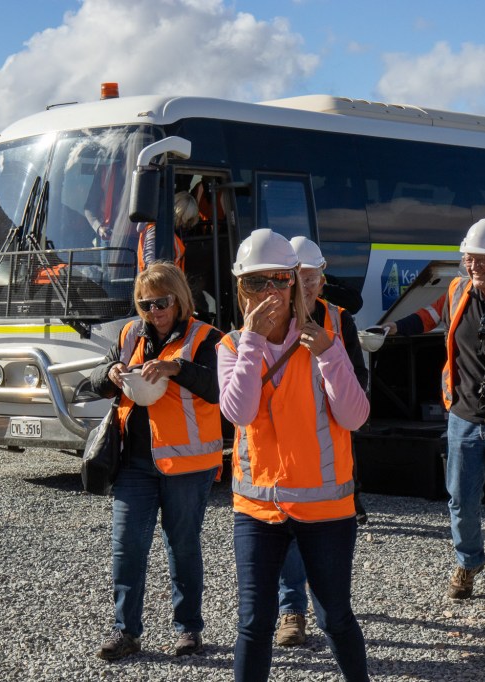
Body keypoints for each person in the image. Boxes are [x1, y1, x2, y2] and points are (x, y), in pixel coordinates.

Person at [218, 228, 370, 682]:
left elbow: (356, 417)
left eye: (279, 280)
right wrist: (252, 341)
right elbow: (239, 412)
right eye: (255, 282)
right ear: (241, 288)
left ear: (293, 282)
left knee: (334, 618)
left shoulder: (327, 340)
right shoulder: (232, 346)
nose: (269, 292)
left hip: (325, 508)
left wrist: (329, 356)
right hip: (257, 509)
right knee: (253, 625)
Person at [382, 218, 485, 616]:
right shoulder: (457, 291)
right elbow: (428, 315)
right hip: (464, 417)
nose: (474, 266)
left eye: (482, 259)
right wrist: (391, 329)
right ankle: (468, 563)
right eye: (469, 258)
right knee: (461, 500)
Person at [89, 261, 223, 661]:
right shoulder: (130, 334)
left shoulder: (207, 337)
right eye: (145, 305)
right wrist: (110, 372)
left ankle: (189, 630)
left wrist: (176, 368)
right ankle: (125, 631)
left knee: (182, 546)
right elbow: (94, 381)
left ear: (179, 299)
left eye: (161, 302)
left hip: (189, 465)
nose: (154, 311)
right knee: (127, 546)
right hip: (134, 463)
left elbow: (218, 388)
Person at [270, 236, 369, 649]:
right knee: (288, 531)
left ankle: (329, 612)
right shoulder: (270, 321)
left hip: (329, 449)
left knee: (325, 539)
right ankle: (291, 611)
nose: (305, 286)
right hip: (285, 449)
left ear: (322, 278)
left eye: (311, 277)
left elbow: (359, 384)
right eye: (298, 278)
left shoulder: (339, 321)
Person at [136, 191, 196, 271]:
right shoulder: (155, 229)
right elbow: (151, 266)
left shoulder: (167, 230)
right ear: (180, 214)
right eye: (186, 220)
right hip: (161, 278)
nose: (185, 225)